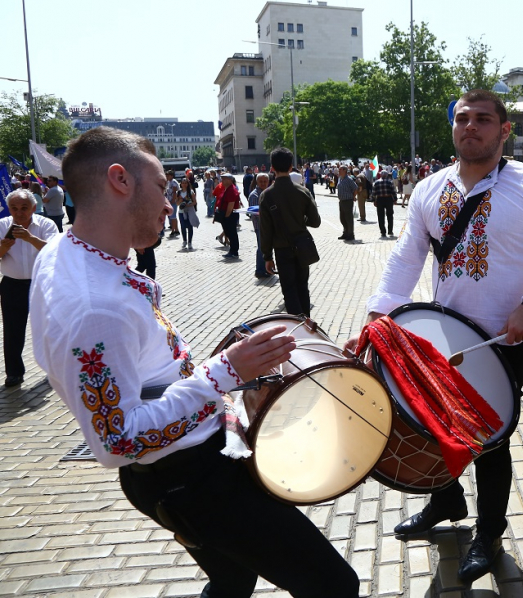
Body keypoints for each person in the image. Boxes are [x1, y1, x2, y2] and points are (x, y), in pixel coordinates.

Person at [32, 127, 360, 597]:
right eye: (162, 187)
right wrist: (223, 373)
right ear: (119, 180)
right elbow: (117, 442)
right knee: (333, 585)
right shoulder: (95, 304)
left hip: (182, 468)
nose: (169, 204)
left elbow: (146, 374)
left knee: (233, 576)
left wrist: (223, 386)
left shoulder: (68, 251)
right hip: (191, 478)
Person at [347, 89, 523, 584]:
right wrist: (379, 312)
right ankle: (445, 500)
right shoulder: (428, 189)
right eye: (462, 119)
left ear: (504, 130)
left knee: (491, 440)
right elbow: (406, 258)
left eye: (483, 119)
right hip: (440, 332)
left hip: (504, 338)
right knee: (436, 421)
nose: (470, 127)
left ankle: (490, 531)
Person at [0, 190, 57, 387]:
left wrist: (30, 238)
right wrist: (3, 248)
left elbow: (55, 252)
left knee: (48, 329)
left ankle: (55, 370)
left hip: (42, 284)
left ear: (33, 207)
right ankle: (14, 372)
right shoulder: (2, 226)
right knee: (13, 330)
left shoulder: (46, 224)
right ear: (9, 209)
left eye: (24, 208)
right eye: (14, 208)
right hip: (12, 284)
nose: (19, 212)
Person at [260, 148, 322, 315]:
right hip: (302, 246)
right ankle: (307, 323)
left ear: (271, 167)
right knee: (303, 287)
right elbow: (316, 222)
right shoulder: (303, 192)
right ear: (290, 167)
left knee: (289, 290)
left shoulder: (267, 196)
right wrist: (300, 221)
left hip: (282, 249)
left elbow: (266, 230)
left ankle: (297, 326)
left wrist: (267, 256)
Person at [248, 172, 271, 278]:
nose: (263, 183)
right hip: (260, 226)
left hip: (269, 226)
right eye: (261, 181)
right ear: (257, 182)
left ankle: (268, 268)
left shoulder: (268, 192)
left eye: (265, 181)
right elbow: (255, 213)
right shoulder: (254, 195)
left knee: (267, 247)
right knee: (262, 248)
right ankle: (260, 270)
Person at [218, 172, 241, 259]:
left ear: (230, 180)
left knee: (232, 233)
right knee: (229, 233)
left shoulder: (231, 190)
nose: (222, 180)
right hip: (226, 214)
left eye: (224, 179)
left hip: (230, 215)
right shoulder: (227, 189)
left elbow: (231, 204)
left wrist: (227, 217)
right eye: (222, 178)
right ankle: (232, 250)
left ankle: (234, 251)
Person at [371, 170, 397, 238]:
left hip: (380, 199)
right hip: (388, 199)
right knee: (390, 215)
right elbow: (393, 191)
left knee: (380, 216)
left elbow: (374, 193)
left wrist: (374, 200)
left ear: (381, 175)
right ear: (386, 175)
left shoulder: (376, 182)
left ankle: (383, 232)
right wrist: (395, 199)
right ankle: (390, 231)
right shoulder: (390, 182)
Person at [334, 165, 358, 241]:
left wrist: (353, 196)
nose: (339, 171)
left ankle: (351, 234)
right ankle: (345, 232)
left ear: (345, 170)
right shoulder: (340, 179)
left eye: (340, 169)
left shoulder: (349, 179)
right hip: (341, 201)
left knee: (348, 218)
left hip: (348, 201)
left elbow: (355, 188)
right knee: (342, 218)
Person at [176, 177, 199, 249]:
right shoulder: (178, 192)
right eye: (183, 183)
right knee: (183, 226)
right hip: (181, 212)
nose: (184, 184)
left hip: (189, 211)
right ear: (181, 184)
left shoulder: (191, 192)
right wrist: (180, 201)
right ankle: (184, 241)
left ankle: (190, 242)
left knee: (190, 226)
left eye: (186, 183)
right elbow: (176, 203)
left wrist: (188, 205)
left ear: (188, 184)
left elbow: (195, 202)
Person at [164, 169, 180, 238]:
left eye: (168, 175)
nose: (166, 176)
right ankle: (176, 229)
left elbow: (174, 192)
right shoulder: (168, 182)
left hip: (172, 201)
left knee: (172, 217)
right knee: (172, 217)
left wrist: (173, 200)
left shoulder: (173, 182)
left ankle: (173, 230)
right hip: (169, 201)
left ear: (171, 176)